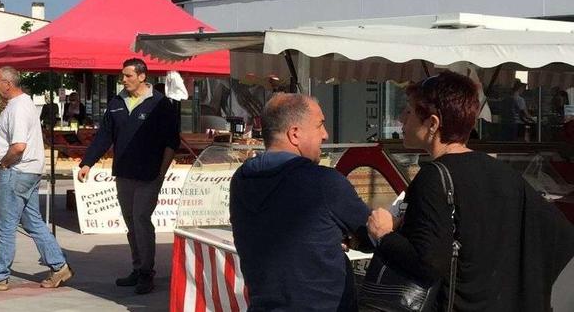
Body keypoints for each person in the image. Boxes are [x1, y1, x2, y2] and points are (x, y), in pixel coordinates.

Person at [367, 72, 574, 311]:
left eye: (409, 111)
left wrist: (384, 235)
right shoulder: (504, 173)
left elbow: (428, 262)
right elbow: (560, 237)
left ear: (433, 123)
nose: (401, 118)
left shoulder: (434, 177)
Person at [229, 93, 371, 311]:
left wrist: (330, 234)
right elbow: (372, 233)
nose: (325, 135)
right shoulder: (323, 182)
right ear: (294, 134)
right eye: (320, 125)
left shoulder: (241, 180)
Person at [77, 58, 179, 294]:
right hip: (123, 173)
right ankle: (138, 267)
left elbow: (171, 142)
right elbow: (104, 136)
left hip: (149, 174)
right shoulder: (116, 102)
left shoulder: (161, 104)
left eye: (128, 75)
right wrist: (87, 163)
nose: (123, 79)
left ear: (142, 76)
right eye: (123, 75)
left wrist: (162, 172)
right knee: (131, 222)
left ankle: (146, 273)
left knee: (141, 219)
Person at [0, 67, 73, 291]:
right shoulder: (26, 103)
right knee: (32, 221)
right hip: (31, 171)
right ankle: (59, 265)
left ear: (8, 83)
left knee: (5, 225)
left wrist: (5, 163)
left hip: (17, 171)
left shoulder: (17, 108)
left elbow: (18, 146)